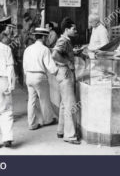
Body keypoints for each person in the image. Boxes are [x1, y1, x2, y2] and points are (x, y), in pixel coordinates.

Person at [52, 17, 80, 145]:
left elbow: (61, 53)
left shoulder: (66, 41)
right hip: (65, 73)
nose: (76, 30)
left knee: (64, 103)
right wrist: (68, 62)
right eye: (73, 29)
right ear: (66, 29)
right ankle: (70, 136)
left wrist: (72, 52)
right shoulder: (63, 40)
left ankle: (61, 130)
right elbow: (55, 54)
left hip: (62, 73)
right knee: (70, 105)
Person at [23, 27, 58, 130]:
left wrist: (27, 75)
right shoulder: (45, 49)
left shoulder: (28, 49)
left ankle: (32, 124)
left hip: (29, 76)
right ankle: (48, 120)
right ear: (43, 37)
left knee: (31, 101)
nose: (47, 39)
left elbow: (24, 65)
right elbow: (51, 67)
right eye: (46, 37)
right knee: (44, 99)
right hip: (39, 76)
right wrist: (57, 71)